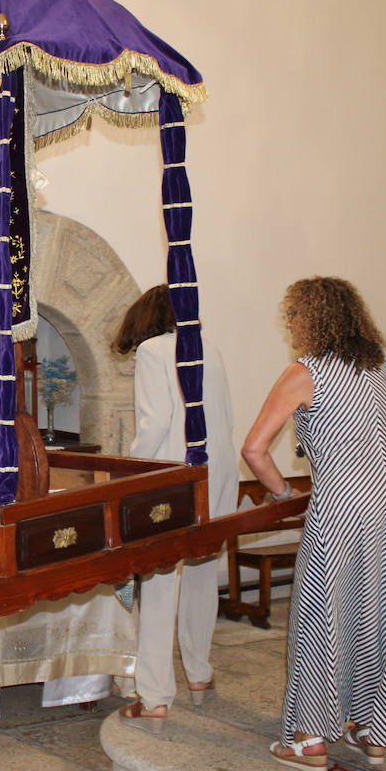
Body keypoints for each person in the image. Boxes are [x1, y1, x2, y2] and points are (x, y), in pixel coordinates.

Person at [241, 276, 386, 771]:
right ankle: (371, 727)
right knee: (380, 610)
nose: (289, 323)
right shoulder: (376, 366)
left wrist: (283, 493)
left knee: (322, 616)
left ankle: (308, 740)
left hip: (341, 506)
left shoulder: (305, 372)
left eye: (293, 314)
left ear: (313, 318)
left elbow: (254, 449)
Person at [111, 285, 237, 732]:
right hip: (217, 473)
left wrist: (130, 472)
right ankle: (200, 675)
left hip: (171, 477)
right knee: (202, 575)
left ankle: (155, 696)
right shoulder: (210, 347)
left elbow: (155, 421)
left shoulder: (152, 350)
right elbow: (222, 417)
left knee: (160, 584)